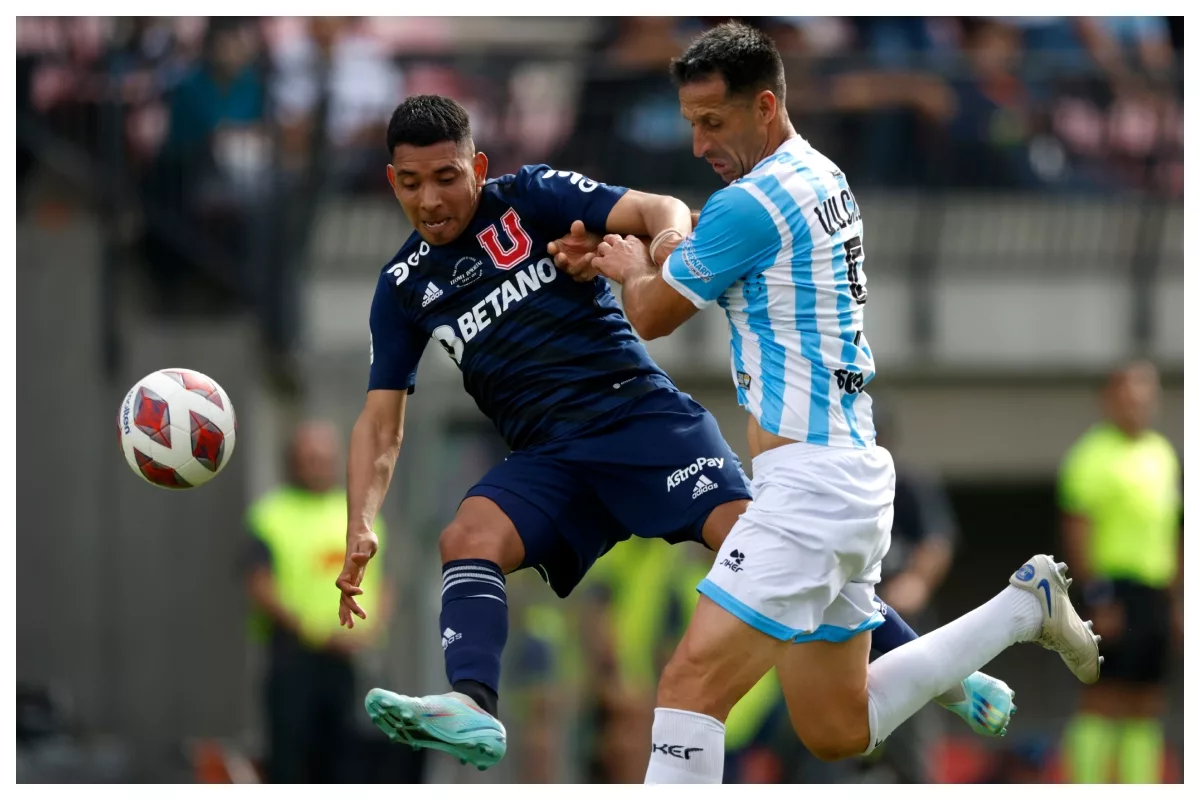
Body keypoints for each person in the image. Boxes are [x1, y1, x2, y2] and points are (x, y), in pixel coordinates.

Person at [330, 94, 949, 772]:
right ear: (392, 182)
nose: (431, 200)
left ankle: (929, 662)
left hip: (639, 420)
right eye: (412, 184)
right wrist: (363, 520)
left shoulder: (532, 198)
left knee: (761, 540)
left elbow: (663, 209)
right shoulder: (402, 288)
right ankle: (474, 705)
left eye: (447, 177)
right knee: (466, 538)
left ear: (477, 167)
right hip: (550, 458)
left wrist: (659, 256)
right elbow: (381, 420)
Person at [581, 22, 1101, 783]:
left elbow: (654, 314)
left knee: (689, 688)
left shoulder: (749, 204)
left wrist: (635, 262)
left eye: (712, 123)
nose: (699, 145)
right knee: (836, 727)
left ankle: (1022, 613)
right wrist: (668, 257)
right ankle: (1023, 609)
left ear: (764, 106)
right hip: (848, 478)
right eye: (691, 124)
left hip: (808, 490)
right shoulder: (825, 175)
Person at [245, 421, 392, 783]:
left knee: (343, 766)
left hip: (347, 664)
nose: (316, 465)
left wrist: (371, 632)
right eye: (308, 458)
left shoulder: (362, 516)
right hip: (293, 658)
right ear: (292, 461)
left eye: (323, 458)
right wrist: (312, 631)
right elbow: (260, 585)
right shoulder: (270, 515)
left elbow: (385, 581)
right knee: (290, 765)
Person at [1059, 362, 1182, 783]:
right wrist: (1097, 596)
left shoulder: (1163, 454)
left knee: (1147, 701)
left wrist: (1180, 599)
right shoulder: (1091, 455)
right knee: (1102, 698)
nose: (1138, 403)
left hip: (1155, 593)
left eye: (1146, 394)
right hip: (1113, 592)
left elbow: (1173, 530)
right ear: (1111, 398)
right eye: (1129, 393)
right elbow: (1077, 532)